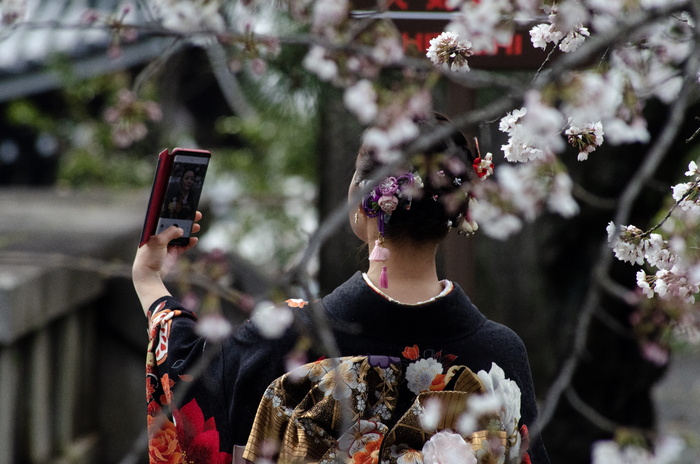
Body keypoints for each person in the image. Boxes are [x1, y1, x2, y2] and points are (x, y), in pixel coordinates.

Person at [133, 114, 549, 464]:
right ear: (458, 212)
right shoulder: (500, 356)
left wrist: (150, 280)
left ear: (364, 198)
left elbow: (189, 400)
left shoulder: (282, 339)